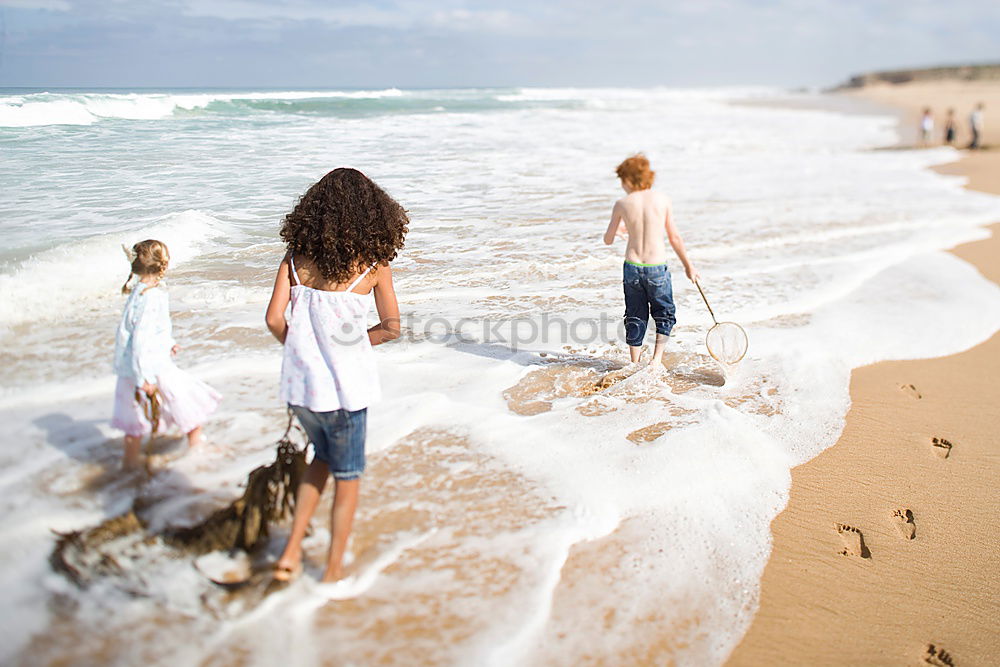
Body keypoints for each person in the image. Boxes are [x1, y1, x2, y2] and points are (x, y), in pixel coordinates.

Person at [266, 168, 408, 583]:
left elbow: (275, 320)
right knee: (347, 478)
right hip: (346, 392)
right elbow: (392, 327)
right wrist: (350, 345)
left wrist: (303, 350)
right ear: (374, 216)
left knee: (320, 458)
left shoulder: (294, 261)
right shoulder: (374, 268)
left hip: (302, 388)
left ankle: (289, 554)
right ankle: (332, 571)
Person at [112, 240, 221, 469]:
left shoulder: (139, 291)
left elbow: (137, 332)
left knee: (134, 421)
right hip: (151, 367)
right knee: (187, 400)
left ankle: (129, 465)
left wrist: (168, 342)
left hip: (130, 367)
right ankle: (196, 447)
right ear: (164, 264)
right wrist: (145, 378)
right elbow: (141, 339)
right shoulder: (152, 296)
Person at [603, 154, 699, 367]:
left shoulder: (622, 203)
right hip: (656, 267)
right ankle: (656, 360)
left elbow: (608, 240)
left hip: (633, 267)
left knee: (635, 314)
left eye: (622, 181)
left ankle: (635, 362)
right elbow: (674, 237)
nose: (622, 186)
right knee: (664, 313)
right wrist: (688, 266)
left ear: (629, 180)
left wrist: (618, 230)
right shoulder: (662, 200)